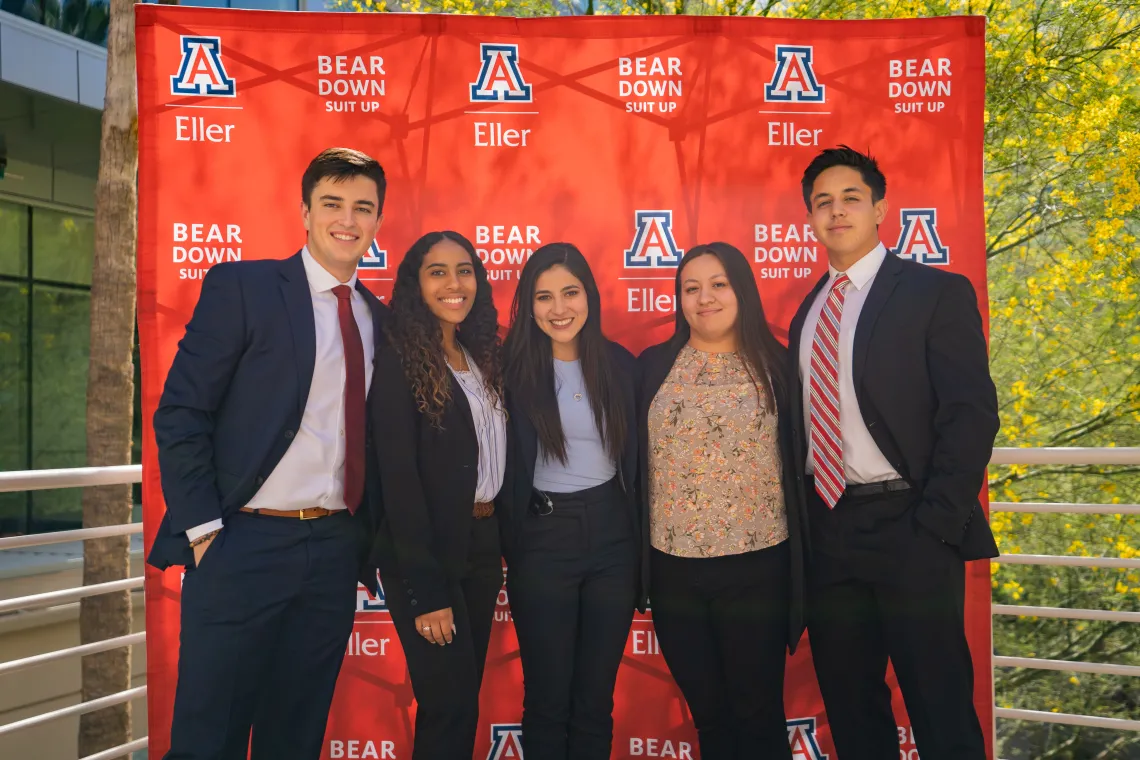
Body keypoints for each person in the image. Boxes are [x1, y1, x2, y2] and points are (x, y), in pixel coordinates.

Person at [148, 147, 389, 760]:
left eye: (363, 207)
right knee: (209, 739)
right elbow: (181, 413)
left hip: (333, 552)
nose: (347, 219)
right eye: (332, 203)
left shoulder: (379, 319)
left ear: (378, 221)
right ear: (304, 210)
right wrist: (205, 531)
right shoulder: (245, 288)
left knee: (296, 737)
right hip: (240, 547)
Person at [789, 145, 999, 760]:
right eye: (822, 202)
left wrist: (936, 522)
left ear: (880, 207)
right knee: (854, 712)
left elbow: (971, 414)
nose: (837, 211)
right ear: (810, 219)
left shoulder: (934, 292)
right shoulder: (811, 310)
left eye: (851, 197)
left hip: (912, 526)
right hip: (830, 532)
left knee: (939, 707)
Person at [637, 242, 807, 760]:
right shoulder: (651, 367)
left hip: (757, 568)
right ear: (679, 299)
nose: (704, 298)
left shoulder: (778, 365)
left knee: (756, 716)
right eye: (691, 288)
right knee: (710, 718)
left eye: (718, 284)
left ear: (742, 291)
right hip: (674, 574)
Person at [500, 243, 640, 760]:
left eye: (570, 292)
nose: (559, 309)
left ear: (590, 296)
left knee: (593, 702)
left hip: (612, 539)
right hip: (543, 537)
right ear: (527, 305)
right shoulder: (508, 372)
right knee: (547, 701)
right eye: (543, 297)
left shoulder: (622, 367)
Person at [370, 230, 506, 760]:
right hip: (426, 557)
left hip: (481, 543)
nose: (455, 283)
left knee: (459, 705)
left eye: (464, 269)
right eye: (438, 271)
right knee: (448, 706)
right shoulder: (401, 360)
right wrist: (427, 592)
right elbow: (398, 482)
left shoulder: (479, 355)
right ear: (416, 285)